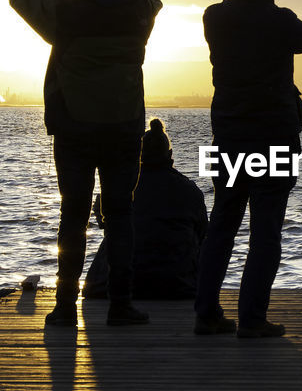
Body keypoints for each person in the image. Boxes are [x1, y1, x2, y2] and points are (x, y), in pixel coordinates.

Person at [8, 0, 160, 327]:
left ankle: (64, 307)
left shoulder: (63, 10)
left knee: (73, 216)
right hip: (124, 128)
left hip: (73, 128)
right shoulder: (139, 11)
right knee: (120, 214)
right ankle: (120, 304)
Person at [193, 0, 302, 338]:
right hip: (275, 137)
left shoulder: (215, 17)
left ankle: (206, 314)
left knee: (222, 224)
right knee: (265, 230)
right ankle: (252, 318)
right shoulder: (282, 22)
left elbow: (249, 9)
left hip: (230, 136)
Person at [83, 118, 209, 300]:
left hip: (108, 287)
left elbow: (104, 223)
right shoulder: (190, 191)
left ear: (138, 155)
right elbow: (202, 233)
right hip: (178, 285)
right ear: (170, 154)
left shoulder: (119, 186)